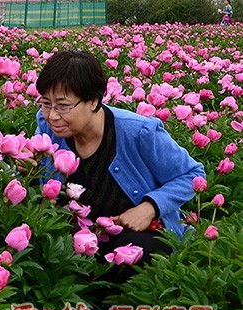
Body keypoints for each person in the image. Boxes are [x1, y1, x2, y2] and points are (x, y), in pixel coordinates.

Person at [30, 50, 205, 281]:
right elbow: (41, 183)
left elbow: (193, 175)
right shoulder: (48, 128)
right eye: (46, 103)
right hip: (71, 233)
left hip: (132, 234)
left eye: (63, 105)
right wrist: (30, 168)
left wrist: (149, 207)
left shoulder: (138, 132)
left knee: (136, 253)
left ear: (93, 100)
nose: (52, 115)